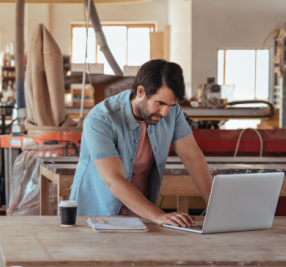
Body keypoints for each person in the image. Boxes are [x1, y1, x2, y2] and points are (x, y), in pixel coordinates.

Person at [69, 59, 213, 227]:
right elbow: (114, 180)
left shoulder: (173, 113)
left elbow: (193, 158)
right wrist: (159, 216)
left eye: (171, 105)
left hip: (142, 216)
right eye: (160, 103)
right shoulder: (100, 120)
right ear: (140, 92)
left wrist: (217, 208)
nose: (165, 112)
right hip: (97, 217)